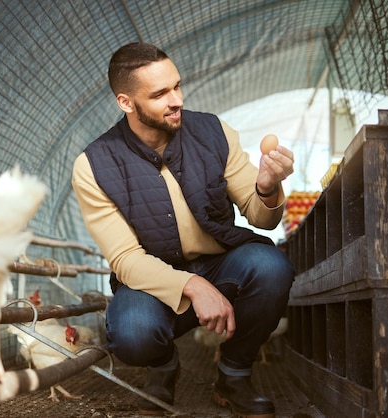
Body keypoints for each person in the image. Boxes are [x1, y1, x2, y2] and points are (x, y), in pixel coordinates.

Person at [71, 42, 295, 417]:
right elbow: (125, 259)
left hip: (220, 264)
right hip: (152, 280)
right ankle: (162, 366)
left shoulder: (214, 132)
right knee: (132, 334)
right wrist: (192, 286)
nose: (176, 99)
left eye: (176, 86)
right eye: (159, 94)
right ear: (126, 103)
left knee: (271, 266)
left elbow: (262, 218)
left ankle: (234, 375)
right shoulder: (93, 165)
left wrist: (268, 187)